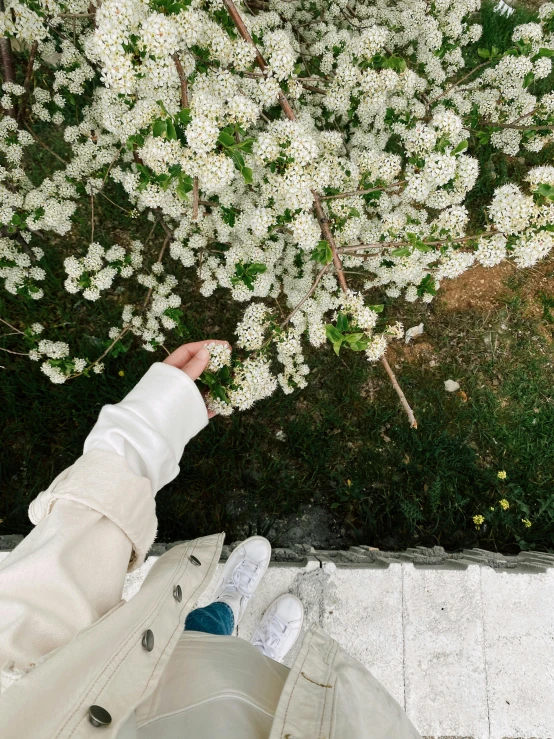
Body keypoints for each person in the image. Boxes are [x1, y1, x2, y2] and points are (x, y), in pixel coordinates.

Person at [0, 341, 422, 739]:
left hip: (163, 686)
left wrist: (148, 431)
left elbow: (36, 614)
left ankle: (229, 609)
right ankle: (261, 657)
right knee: (256, 685)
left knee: (201, 638)